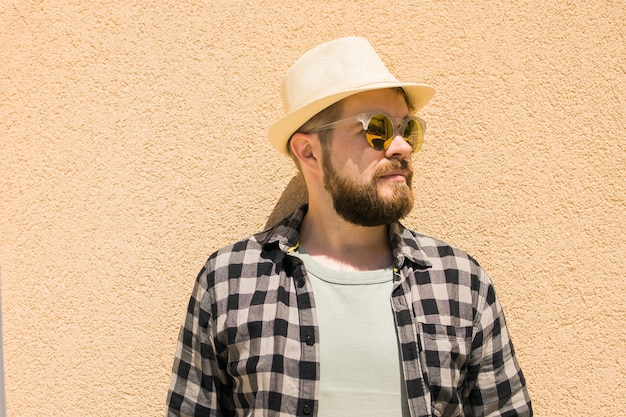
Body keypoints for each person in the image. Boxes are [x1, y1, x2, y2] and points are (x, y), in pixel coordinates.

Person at [165, 37, 532, 417]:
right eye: (377, 129)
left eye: (408, 129)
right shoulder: (230, 279)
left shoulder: (459, 280)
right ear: (308, 151)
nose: (402, 146)